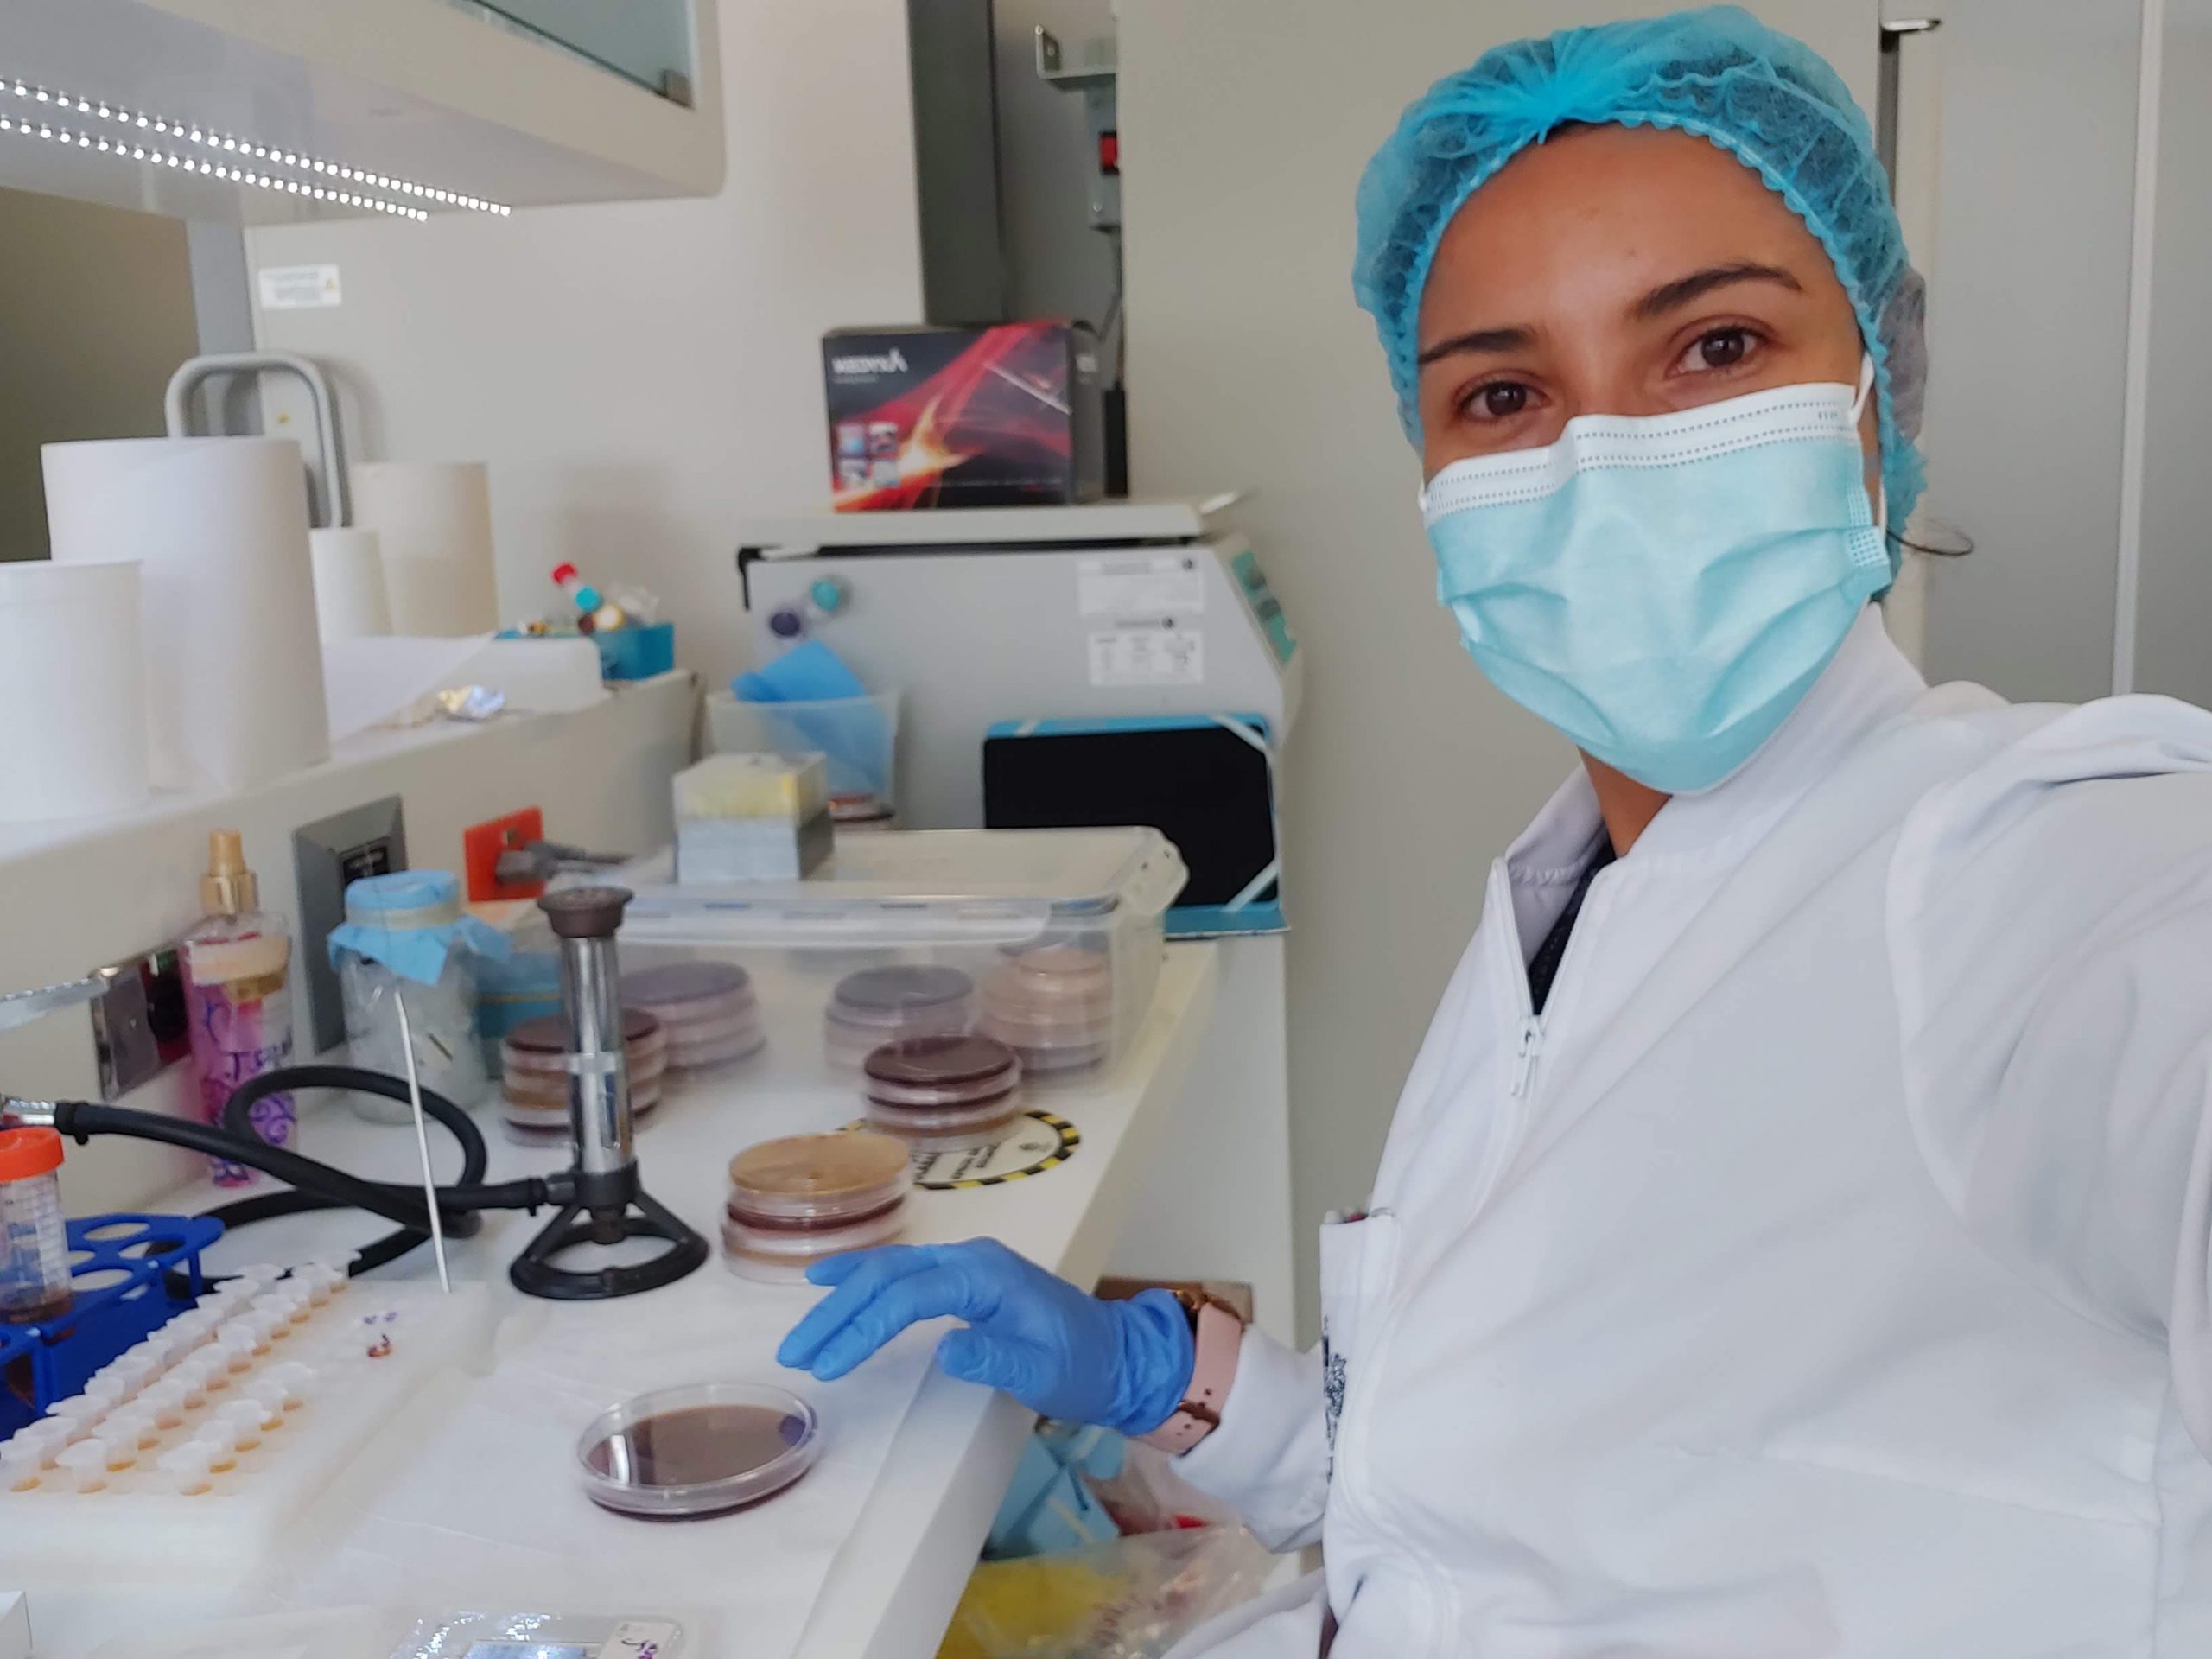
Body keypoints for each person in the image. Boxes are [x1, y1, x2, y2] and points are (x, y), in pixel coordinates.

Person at [782, 10, 2212, 1653]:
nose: (1600, 458)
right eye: (1507, 391)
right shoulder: (1574, 901)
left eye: (1716, 350)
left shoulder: (2024, 871)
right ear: (1435, 472)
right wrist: (1173, 1381)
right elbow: (1485, 1505)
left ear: (1878, 400)